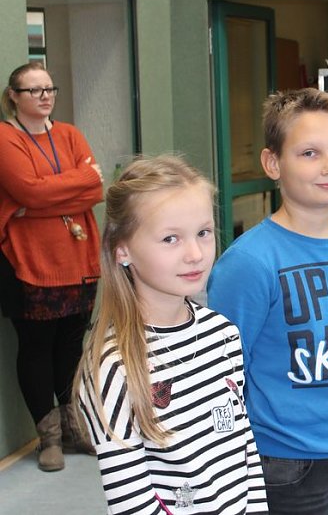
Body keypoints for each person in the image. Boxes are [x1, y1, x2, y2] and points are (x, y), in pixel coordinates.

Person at [208, 88, 328, 514]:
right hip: (288, 460)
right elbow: (225, 375)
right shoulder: (247, 263)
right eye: (309, 153)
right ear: (273, 163)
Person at [76, 155, 268, 513]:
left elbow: (245, 453)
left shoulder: (223, 334)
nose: (195, 254)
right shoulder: (114, 368)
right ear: (122, 250)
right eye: (170, 239)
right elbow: (132, 505)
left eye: (203, 233)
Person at [0, 62, 103, 472]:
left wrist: (40, 202)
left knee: (70, 346)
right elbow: (26, 189)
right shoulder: (7, 139)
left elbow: (94, 188)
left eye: (50, 88)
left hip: (78, 261)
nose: (45, 96)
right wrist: (70, 187)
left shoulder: (70, 134)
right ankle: (49, 438)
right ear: (13, 96)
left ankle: (74, 427)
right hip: (30, 264)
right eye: (34, 90)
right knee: (38, 349)